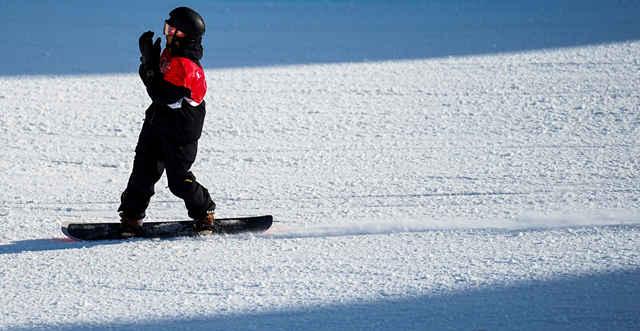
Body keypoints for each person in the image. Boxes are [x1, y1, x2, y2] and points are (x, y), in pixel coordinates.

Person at [118, 7, 215, 235]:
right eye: (167, 28)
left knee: (179, 181)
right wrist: (148, 62)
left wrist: (149, 65)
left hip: (180, 132)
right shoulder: (171, 54)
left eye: (172, 29)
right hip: (158, 122)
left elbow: (162, 94)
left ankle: (204, 213)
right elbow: (153, 84)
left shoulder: (186, 66)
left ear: (185, 35)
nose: (168, 33)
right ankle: (132, 218)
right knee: (142, 172)